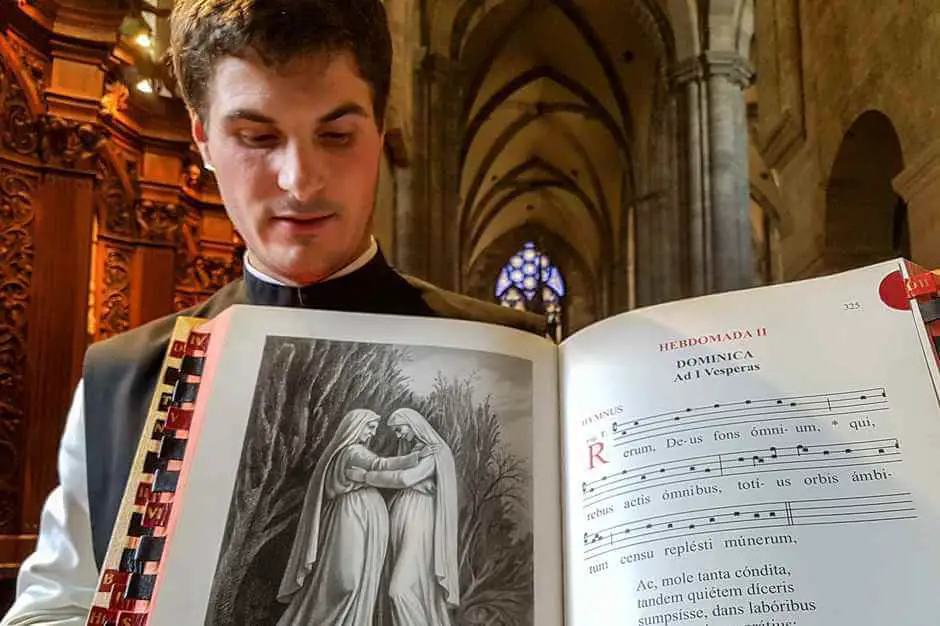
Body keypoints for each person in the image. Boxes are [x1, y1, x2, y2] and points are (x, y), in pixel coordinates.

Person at [0, 0, 543, 623]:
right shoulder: (126, 380)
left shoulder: (509, 352)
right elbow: (51, 606)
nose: (301, 181)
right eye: (256, 137)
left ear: (381, 129)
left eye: (336, 135)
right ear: (202, 137)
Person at [275, 409, 432, 625]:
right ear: (355, 426)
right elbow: (381, 465)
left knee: (361, 581)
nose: (371, 433)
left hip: (365, 518)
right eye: (369, 427)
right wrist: (415, 458)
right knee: (348, 582)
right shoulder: (351, 451)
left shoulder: (357, 450)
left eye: (374, 429)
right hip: (349, 516)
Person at [346, 408, 459, 625]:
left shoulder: (434, 451)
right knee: (403, 588)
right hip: (403, 519)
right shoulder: (417, 451)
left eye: (399, 430)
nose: (398, 435)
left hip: (420, 520)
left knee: (398, 590)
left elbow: (406, 479)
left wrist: (365, 477)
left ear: (413, 424)